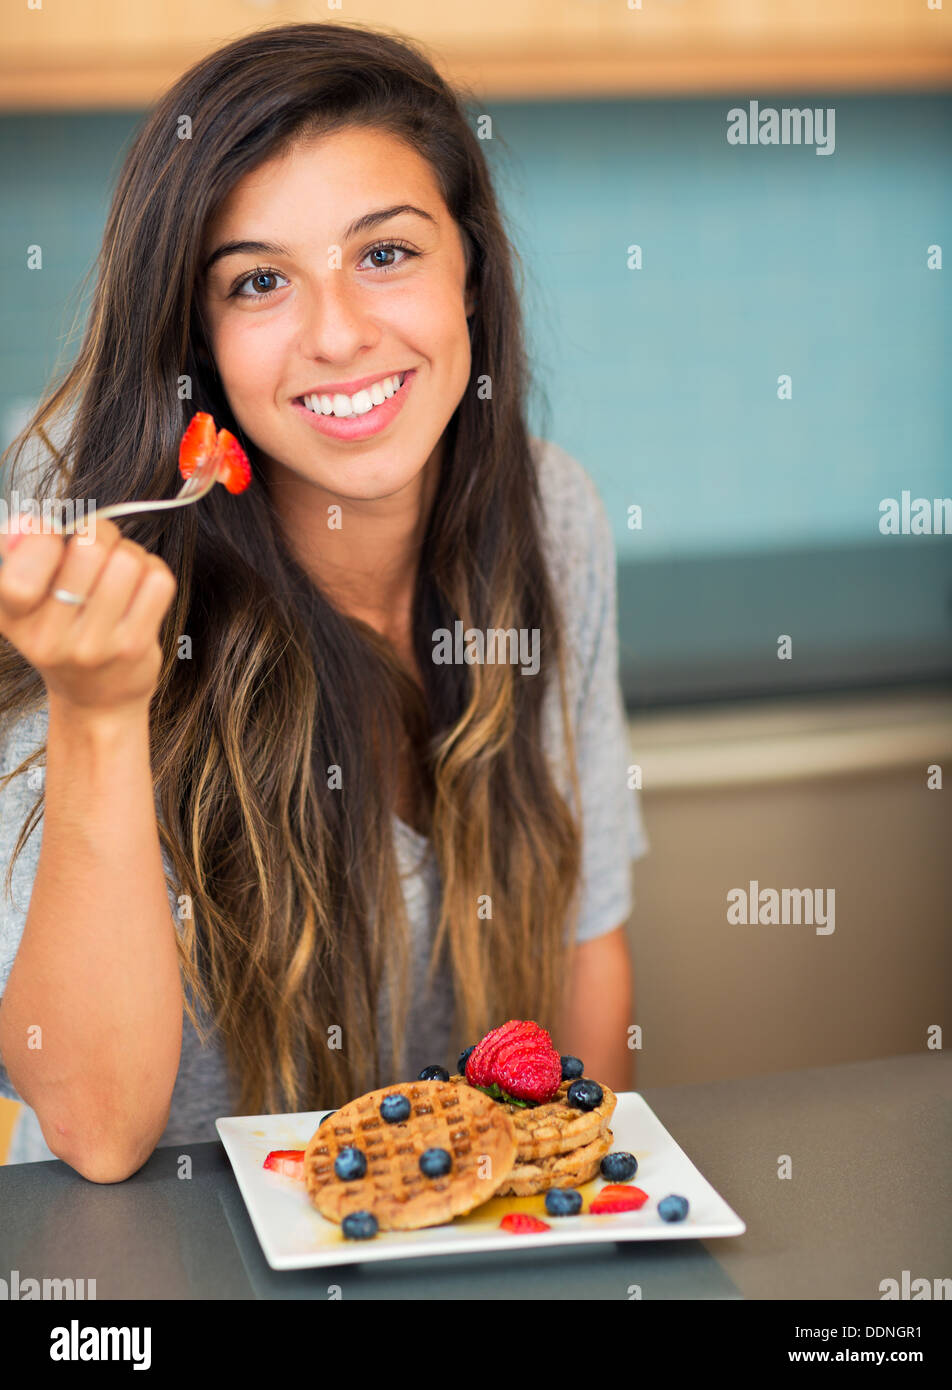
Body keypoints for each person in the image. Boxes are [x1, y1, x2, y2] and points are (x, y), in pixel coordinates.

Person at [0, 22, 647, 1181]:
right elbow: (97, 1134)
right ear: (198, 341)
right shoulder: (94, 578)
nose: (339, 332)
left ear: (471, 269)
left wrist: (571, 1220)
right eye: (259, 281)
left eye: (386, 254)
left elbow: (583, 941)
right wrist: (98, 711)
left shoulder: (551, 518)